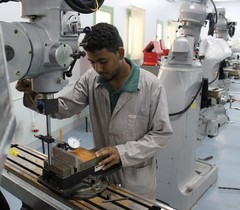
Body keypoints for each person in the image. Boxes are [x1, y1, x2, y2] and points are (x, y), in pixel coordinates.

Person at [16, 22, 173, 200]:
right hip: (102, 175)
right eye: (92, 62)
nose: (98, 68)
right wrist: (34, 94)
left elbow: (161, 135)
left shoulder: (151, 87)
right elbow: (65, 107)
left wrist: (122, 153)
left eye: (103, 61)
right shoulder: (91, 79)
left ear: (120, 53)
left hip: (136, 179)